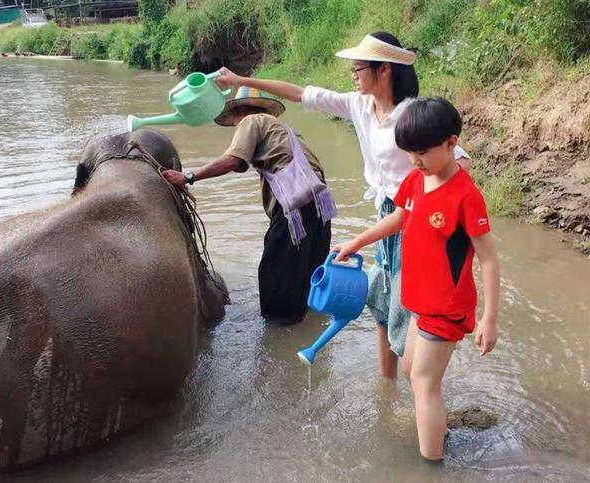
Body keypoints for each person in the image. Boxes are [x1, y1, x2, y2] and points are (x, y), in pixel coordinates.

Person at [215, 31, 471, 378]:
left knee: (408, 307)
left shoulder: (413, 116)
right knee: (381, 301)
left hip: (413, 222)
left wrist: (428, 211)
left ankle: (420, 395)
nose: (353, 74)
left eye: (359, 68)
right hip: (385, 215)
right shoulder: (360, 105)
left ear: (384, 71)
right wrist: (241, 79)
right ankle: (387, 386)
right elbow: (301, 93)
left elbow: (459, 161)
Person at [334, 97, 500, 460]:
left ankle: (430, 464)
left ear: (452, 143)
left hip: (446, 308)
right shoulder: (416, 179)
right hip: (417, 303)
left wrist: (489, 318)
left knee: (424, 382)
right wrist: (356, 241)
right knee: (411, 370)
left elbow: (488, 259)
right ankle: (440, 431)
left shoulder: (466, 197)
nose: (414, 161)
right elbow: (398, 218)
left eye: (422, 152)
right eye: (409, 152)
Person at [162, 87, 334, 325]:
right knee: (307, 271)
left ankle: (278, 339)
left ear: (239, 111)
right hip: (320, 202)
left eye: (233, 122)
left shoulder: (251, 121)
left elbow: (234, 160)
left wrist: (189, 176)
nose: (234, 128)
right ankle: (312, 327)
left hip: (296, 205)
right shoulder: (282, 128)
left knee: (277, 275)